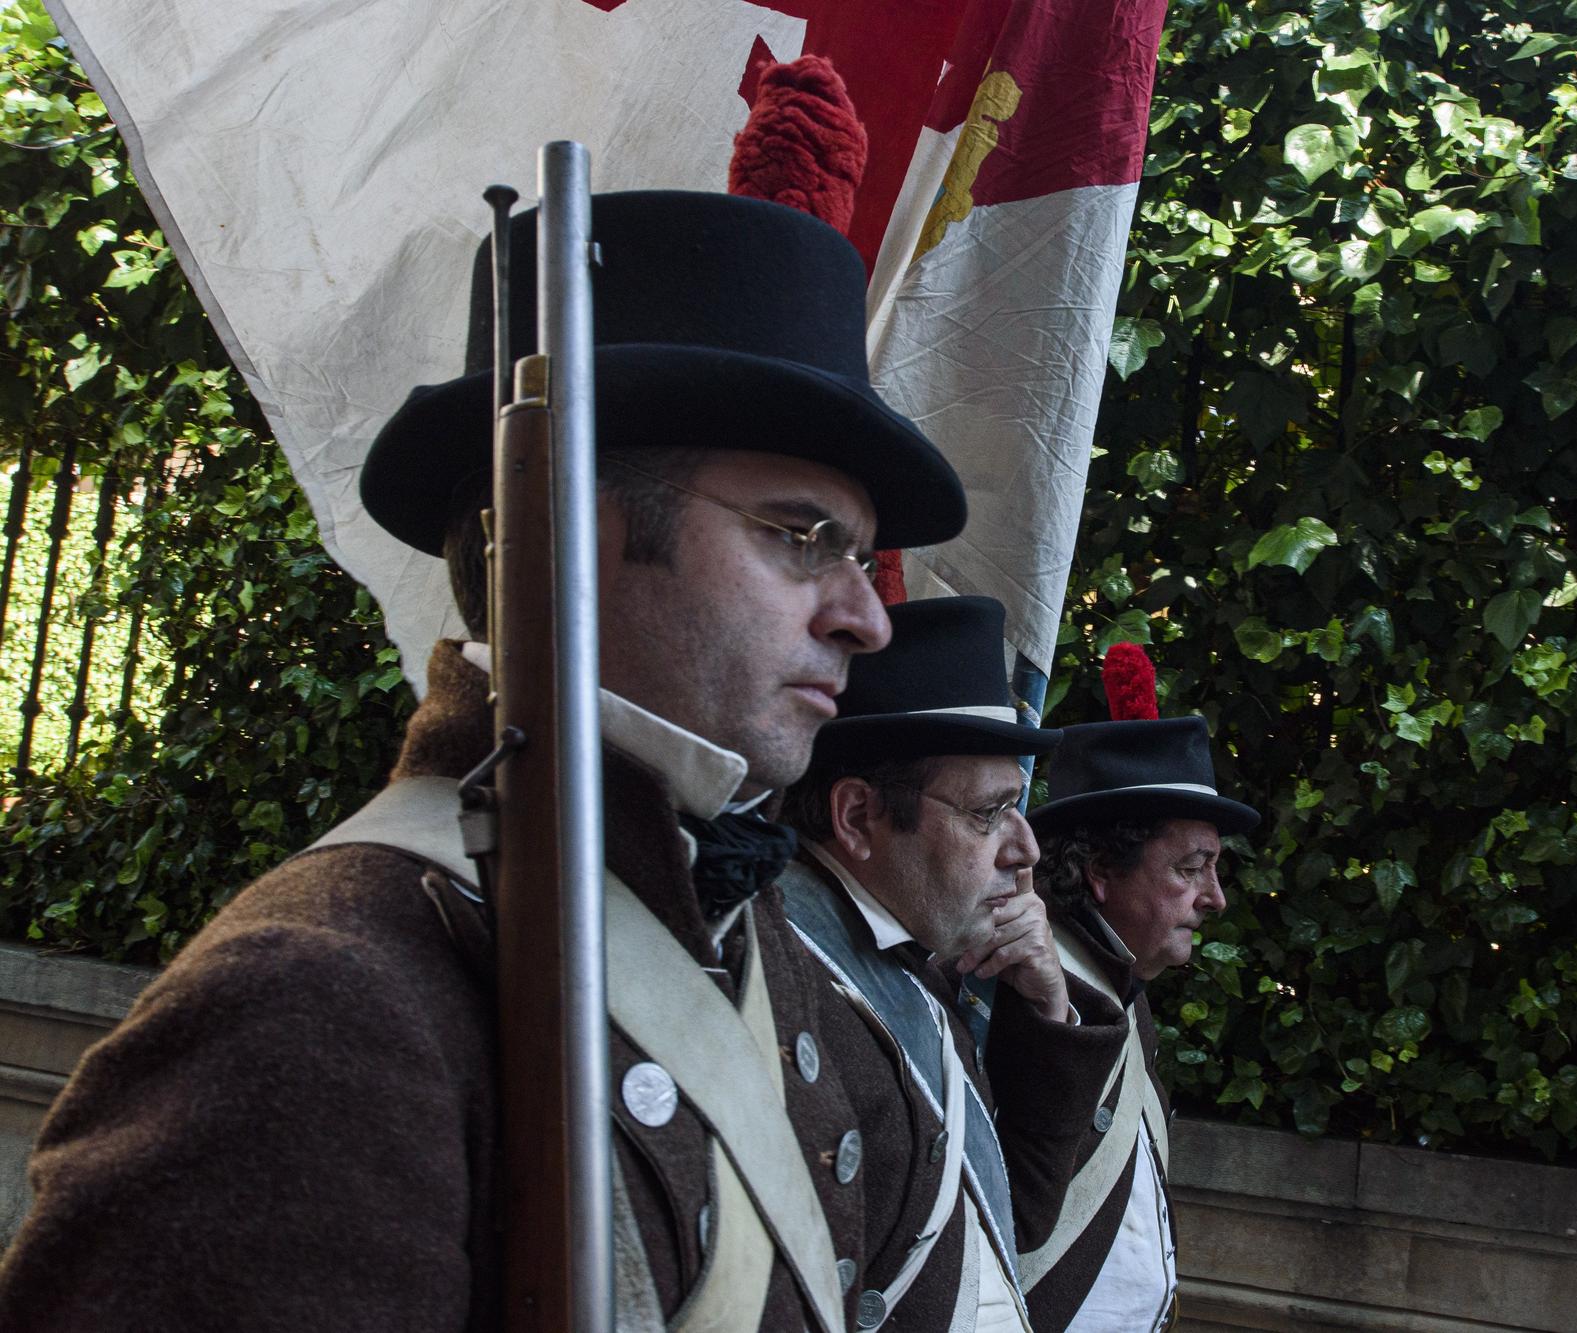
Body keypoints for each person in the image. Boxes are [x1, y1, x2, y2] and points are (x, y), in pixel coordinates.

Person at [0, 58, 957, 1332]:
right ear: (571, 526)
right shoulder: (311, 1007)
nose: (866, 614)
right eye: (800, 537)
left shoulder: (761, 949)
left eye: (860, 553)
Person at [776, 595, 1128, 1331]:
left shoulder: (913, 967)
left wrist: (1043, 1011)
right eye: (986, 813)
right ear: (857, 817)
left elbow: (1014, 1224)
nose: (1026, 849)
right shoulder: (792, 977)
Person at [1020, 644, 1260, 1333]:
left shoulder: (1120, 981)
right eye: (1192, 868)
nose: (1214, 898)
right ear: (1101, 868)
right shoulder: (1036, 992)